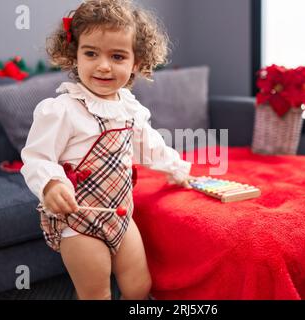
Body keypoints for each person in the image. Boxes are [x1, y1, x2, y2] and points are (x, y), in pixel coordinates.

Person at [20, 0, 193, 300]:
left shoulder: (130, 110)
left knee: (139, 287)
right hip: (79, 221)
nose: (103, 65)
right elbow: (36, 156)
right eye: (91, 53)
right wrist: (50, 184)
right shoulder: (63, 109)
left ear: (135, 63)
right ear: (75, 56)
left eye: (117, 56)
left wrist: (177, 169)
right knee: (96, 294)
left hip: (121, 214)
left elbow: (151, 147)